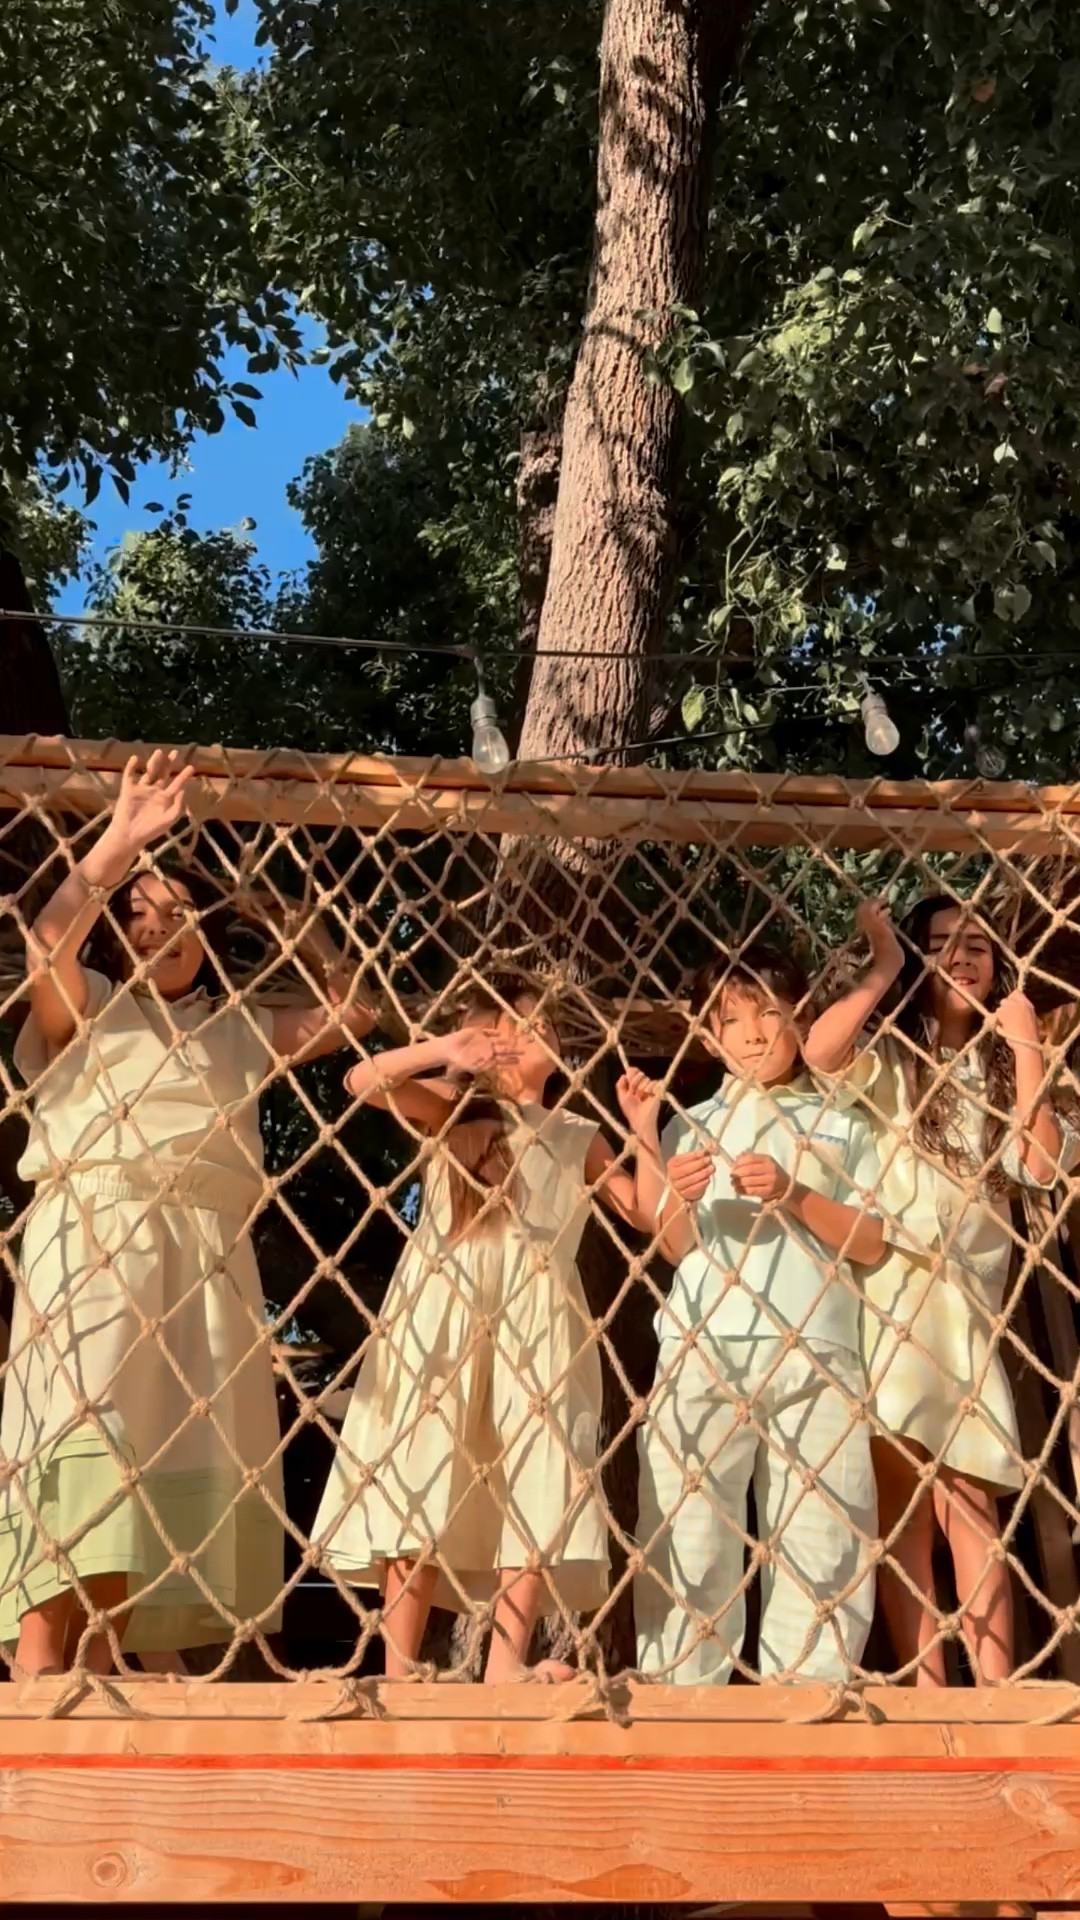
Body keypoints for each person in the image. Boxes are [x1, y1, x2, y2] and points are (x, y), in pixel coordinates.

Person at [0, 751, 375, 1677]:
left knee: (160, 1499)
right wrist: (120, 842)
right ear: (115, 932)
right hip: (96, 1247)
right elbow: (48, 945)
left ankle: (105, 1681)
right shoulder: (86, 1009)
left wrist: (282, 913)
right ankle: (42, 1686)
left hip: (202, 1270)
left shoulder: (235, 1031)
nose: (161, 925)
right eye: (141, 911)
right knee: (84, 1463)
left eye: (180, 915)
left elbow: (353, 1007)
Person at [313, 977, 662, 1682]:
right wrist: (446, 1049)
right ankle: (400, 1664)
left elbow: (646, 1215)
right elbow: (360, 1080)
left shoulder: (576, 1135)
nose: (521, 1035)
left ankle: (507, 1663)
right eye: (503, 1026)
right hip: (444, 1309)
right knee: (424, 1464)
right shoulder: (452, 1111)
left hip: (540, 1316)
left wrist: (644, 1130)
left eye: (538, 1027)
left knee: (535, 1471)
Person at [803, 897, 1078, 1685]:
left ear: (998, 968)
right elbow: (821, 1054)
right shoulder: (894, 1062)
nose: (961, 958)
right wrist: (884, 961)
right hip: (891, 1288)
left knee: (972, 1495)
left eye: (978, 947)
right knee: (904, 1503)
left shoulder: (1006, 1067)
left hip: (969, 1301)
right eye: (942, 945)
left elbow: (1040, 1166)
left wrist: (1024, 1046)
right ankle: (929, 1684)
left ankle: (994, 1685)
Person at [626, 942, 883, 1685]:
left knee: (824, 1530)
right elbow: (675, 1246)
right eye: (729, 1019)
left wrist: (796, 1195)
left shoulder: (846, 1114)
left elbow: (871, 1238)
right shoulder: (692, 1123)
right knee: (687, 1528)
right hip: (703, 1342)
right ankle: (684, 1697)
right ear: (708, 1036)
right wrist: (664, 1167)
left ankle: (811, 1698)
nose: (751, 1032)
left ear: (798, 1015)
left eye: (767, 1011)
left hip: (817, 1346)